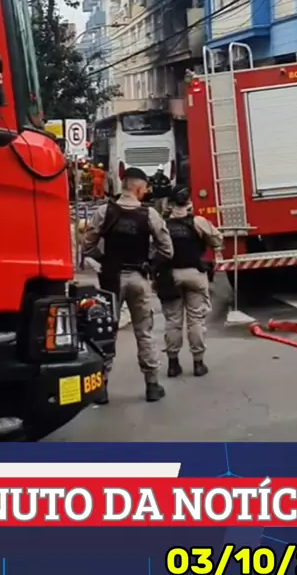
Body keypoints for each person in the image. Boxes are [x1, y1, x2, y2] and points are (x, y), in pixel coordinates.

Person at [82, 166, 174, 404]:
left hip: (110, 280)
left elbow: (87, 245)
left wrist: (105, 260)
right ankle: (152, 385)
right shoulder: (149, 214)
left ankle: (101, 387)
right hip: (138, 278)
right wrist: (149, 264)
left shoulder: (104, 211)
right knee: (144, 331)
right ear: (139, 189)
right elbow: (167, 250)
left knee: (106, 331)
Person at [155, 186, 223, 378]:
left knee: (173, 321)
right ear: (188, 202)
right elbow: (217, 240)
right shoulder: (198, 222)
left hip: (170, 277)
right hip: (194, 274)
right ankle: (198, 363)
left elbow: (155, 249)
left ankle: (173, 364)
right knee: (196, 320)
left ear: (170, 204)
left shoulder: (162, 225)